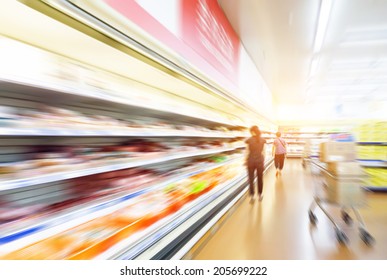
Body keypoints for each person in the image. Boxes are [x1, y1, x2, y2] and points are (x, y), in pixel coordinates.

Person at [245, 125, 266, 201]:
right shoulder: (263, 140)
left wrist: (245, 161)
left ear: (252, 131)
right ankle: (260, 195)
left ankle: (252, 196)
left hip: (250, 161)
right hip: (260, 161)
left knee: (251, 179)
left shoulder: (248, 140)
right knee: (260, 178)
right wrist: (262, 160)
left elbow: (247, 152)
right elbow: (264, 152)